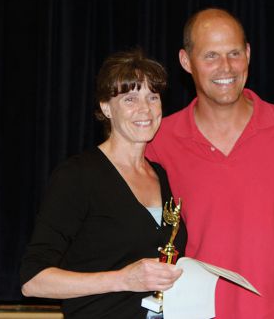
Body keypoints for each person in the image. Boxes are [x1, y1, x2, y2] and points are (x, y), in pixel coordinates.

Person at [146, 8, 274, 318]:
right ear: (186, 61)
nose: (226, 67)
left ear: (248, 54)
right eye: (211, 56)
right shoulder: (159, 140)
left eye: (234, 53)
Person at [20, 49, 187, 319]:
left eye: (152, 97)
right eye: (130, 98)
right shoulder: (78, 175)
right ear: (106, 108)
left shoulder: (160, 175)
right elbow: (33, 281)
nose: (145, 109)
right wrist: (123, 280)